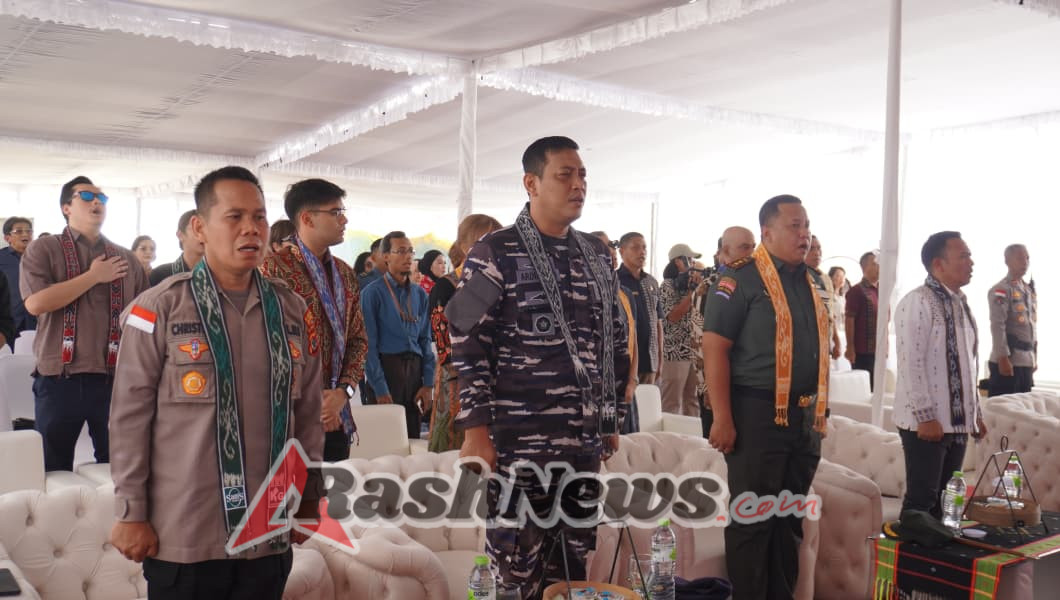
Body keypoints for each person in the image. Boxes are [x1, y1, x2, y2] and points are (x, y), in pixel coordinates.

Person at [108, 166, 324, 599]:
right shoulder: (158, 308)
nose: (251, 229)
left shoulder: (292, 311)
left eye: (259, 218)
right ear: (199, 228)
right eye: (234, 217)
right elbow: (129, 419)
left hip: (267, 535)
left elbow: (307, 415)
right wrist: (131, 512)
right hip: (186, 534)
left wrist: (309, 497)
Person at [447, 136, 629, 599]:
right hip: (519, 445)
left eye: (582, 175)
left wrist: (610, 417)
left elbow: (612, 340)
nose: (578, 185)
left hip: (582, 445)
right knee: (515, 573)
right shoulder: (496, 251)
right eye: (565, 175)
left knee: (571, 571)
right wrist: (475, 431)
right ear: (531, 183)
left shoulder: (596, 255)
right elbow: (466, 341)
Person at [702, 195, 830, 600]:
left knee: (789, 520)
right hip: (755, 414)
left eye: (806, 225)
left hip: (803, 418)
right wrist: (722, 417)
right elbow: (714, 348)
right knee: (753, 522)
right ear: (767, 232)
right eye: (794, 225)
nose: (804, 234)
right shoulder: (740, 278)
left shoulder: (811, 281)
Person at [20, 176, 149, 471]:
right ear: (66, 207)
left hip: (114, 379)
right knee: (53, 469)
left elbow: (143, 318)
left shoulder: (126, 259)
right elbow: (36, 304)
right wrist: (93, 276)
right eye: (87, 197)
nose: (96, 203)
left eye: (101, 198)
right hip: (58, 378)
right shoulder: (44, 249)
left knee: (121, 468)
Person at [260, 178, 368, 462]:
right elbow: (264, 347)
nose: (344, 220)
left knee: (335, 490)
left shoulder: (345, 274)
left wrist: (342, 393)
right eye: (335, 212)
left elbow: (358, 340)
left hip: (338, 414)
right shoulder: (271, 271)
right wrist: (315, 400)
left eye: (343, 212)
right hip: (289, 419)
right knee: (291, 492)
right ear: (307, 218)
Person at [894, 231, 986, 520]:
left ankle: (941, 550)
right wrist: (925, 416)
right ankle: (909, 550)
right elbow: (910, 362)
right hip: (927, 423)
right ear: (938, 264)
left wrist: (975, 414)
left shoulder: (961, 303)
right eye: (964, 256)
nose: (971, 262)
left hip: (956, 423)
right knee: (922, 501)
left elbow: (968, 365)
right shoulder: (917, 301)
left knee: (948, 503)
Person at [428, 215, 502, 452]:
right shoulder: (448, 284)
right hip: (459, 377)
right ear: (463, 246)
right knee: (457, 451)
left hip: (495, 379)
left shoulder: (498, 279)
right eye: (482, 241)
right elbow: (447, 341)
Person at [360, 231, 434, 440]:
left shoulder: (420, 294)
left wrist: (428, 384)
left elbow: (425, 341)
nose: (408, 256)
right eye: (401, 251)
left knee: (411, 438)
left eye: (410, 251)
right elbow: (368, 346)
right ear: (386, 257)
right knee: (385, 441)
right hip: (386, 370)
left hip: (415, 374)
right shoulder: (372, 293)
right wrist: (380, 388)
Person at [698, 226, 755, 437]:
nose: (752, 254)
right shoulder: (712, 285)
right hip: (717, 383)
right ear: (726, 251)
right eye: (745, 247)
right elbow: (702, 341)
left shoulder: (755, 282)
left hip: (743, 382)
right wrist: (707, 387)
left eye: (753, 247)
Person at [592, 230, 639, 434]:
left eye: (611, 246)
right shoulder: (584, 292)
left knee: (630, 445)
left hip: (625, 387)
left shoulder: (624, 293)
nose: (611, 251)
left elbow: (632, 339)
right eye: (604, 247)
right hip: (599, 392)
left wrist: (632, 380)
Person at [659, 243, 703, 416]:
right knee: (671, 403)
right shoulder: (667, 286)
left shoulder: (694, 286)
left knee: (693, 402)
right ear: (678, 261)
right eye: (690, 259)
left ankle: (692, 434)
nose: (693, 264)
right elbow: (673, 316)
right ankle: (668, 434)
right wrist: (692, 293)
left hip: (693, 352)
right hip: (675, 352)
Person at [987, 244, 1037, 396]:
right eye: (1020, 258)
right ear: (1007, 261)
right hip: (1009, 361)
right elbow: (997, 325)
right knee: (1003, 408)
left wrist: (1034, 357)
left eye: (1027, 258)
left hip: (1025, 361)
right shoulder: (1001, 289)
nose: (1025, 262)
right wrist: (1002, 358)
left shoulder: (1028, 290)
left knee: (1023, 408)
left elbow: (1032, 326)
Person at [617, 231, 662, 385]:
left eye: (644, 248)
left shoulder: (651, 282)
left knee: (649, 400)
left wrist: (660, 358)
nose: (642, 252)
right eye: (635, 248)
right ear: (622, 251)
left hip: (650, 362)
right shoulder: (615, 281)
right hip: (624, 363)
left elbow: (658, 322)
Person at [845, 251, 880, 388]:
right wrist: (850, 347)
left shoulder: (881, 291)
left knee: (876, 386)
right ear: (864, 266)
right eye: (875, 264)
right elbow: (849, 319)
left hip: (878, 350)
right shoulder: (856, 291)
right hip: (861, 351)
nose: (879, 267)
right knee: (864, 387)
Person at [1, 216, 37, 346]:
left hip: (36, 318)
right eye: (19, 231)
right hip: (9, 320)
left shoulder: (40, 257)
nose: (25, 234)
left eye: (28, 231)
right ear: (7, 238)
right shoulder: (1, 258)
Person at [807, 236, 842, 361]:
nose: (817, 253)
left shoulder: (825, 278)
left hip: (825, 341)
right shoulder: (798, 277)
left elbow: (829, 312)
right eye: (811, 249)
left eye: (819, 248)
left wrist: (836, 340)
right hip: (807, 344)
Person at [149, 210, 205, 286]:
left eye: (206, 229)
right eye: (197, 228)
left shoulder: (218, 274)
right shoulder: (159, 275)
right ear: (180, 235)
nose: (202, 234)